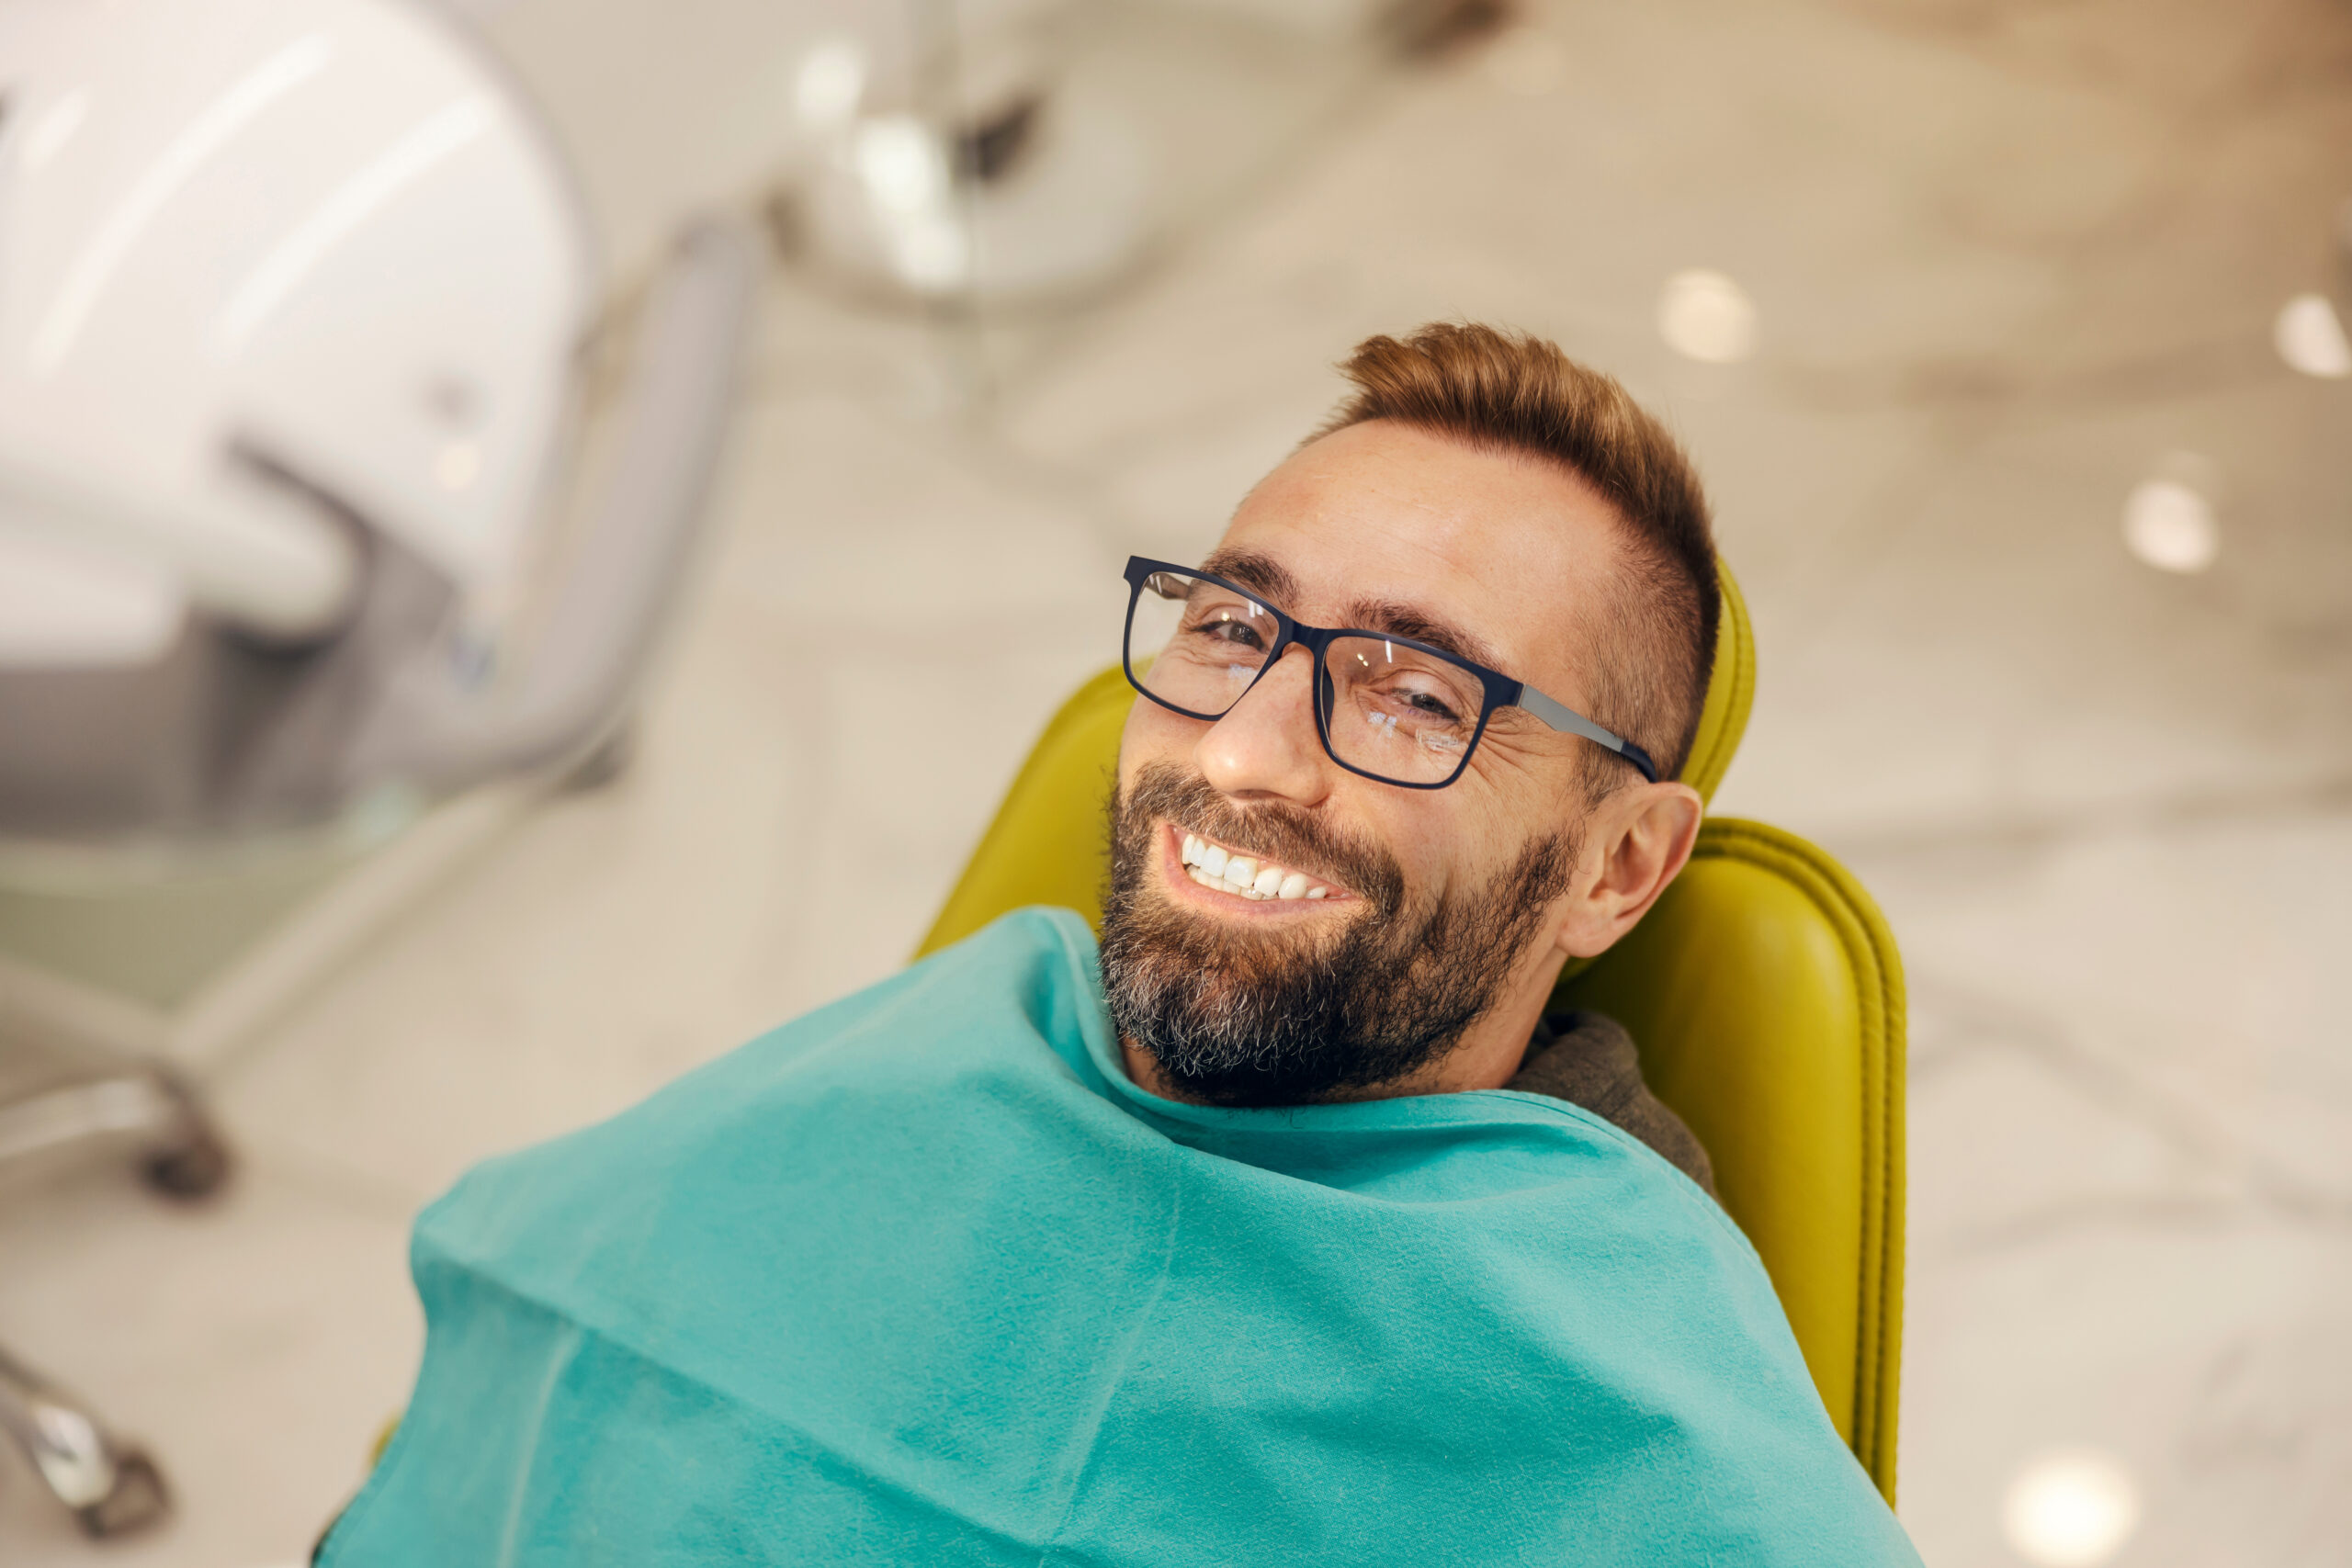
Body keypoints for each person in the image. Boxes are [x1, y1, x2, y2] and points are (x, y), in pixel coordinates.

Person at [318, 324, 1921, 1565]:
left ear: (1620, 868)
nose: (1239, 757)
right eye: (1232, 628)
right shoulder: (964, 1043)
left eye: (1416, 694)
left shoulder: (1634, 1397)